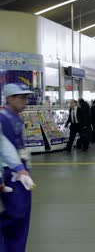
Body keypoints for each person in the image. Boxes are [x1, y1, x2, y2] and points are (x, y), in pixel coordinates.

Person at [0, 83, 35, 251]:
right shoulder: (2, 118)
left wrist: (23, 168)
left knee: (23, 217)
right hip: (8, 173)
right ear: (9, 98)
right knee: (16, 213)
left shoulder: (18, 119)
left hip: (21, 172)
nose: (25, 101)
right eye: (21, 97)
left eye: (25, 97)